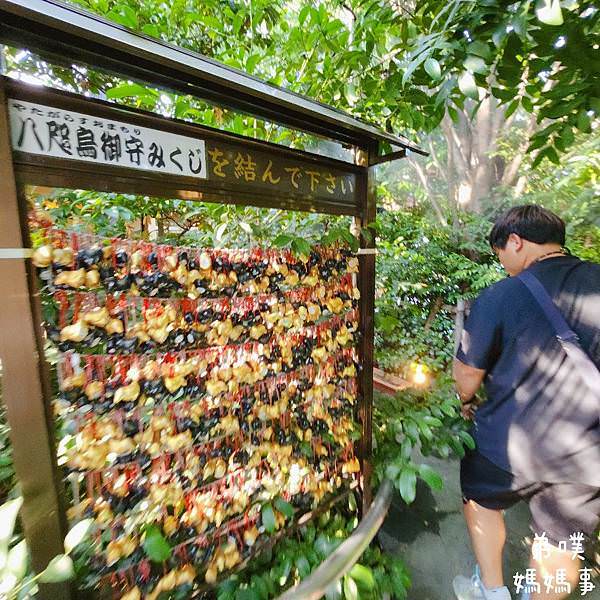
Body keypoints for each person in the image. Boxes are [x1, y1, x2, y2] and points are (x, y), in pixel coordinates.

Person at [451, 205, 600, 600]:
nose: (502, 263)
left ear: (516, 241)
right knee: (561, 541)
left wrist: (465, 400)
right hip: (588, 451)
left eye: (501, 253)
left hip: (509, 445)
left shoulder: (501, 295)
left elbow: (466, 379)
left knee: (481, 500)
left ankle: (492, 590)